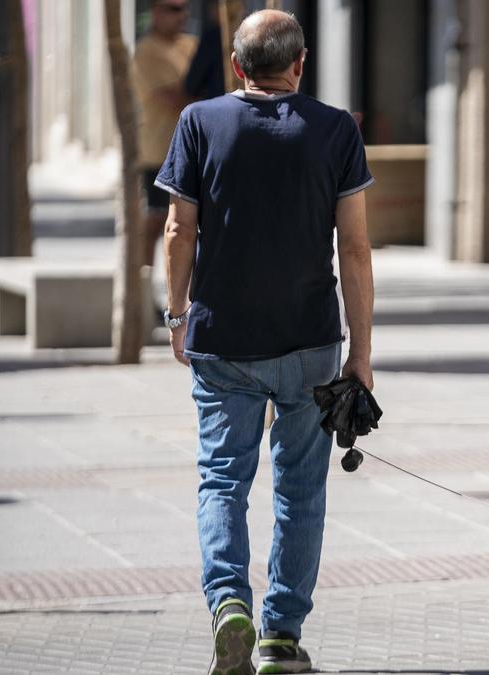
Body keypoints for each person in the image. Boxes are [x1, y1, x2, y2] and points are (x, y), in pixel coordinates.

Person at [155, 9, 375, 675]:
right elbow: (355, 249)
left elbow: (178, 229)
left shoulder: (200, 123)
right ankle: (280, 636)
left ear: (236, 66)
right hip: (310, 341)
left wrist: (176, 314)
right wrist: (361, 355)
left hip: (223, 338)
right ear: (300, 65)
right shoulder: (335, 130)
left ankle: (229, 604)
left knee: (223, 479)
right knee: (301, 491)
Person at [133, 0, 197, 265]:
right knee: (158, 222)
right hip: (160, 152)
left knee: (189, 224)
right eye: (174, 9)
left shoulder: (192, 44)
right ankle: (146, 282)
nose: (182, 15)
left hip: (194, 151)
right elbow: (172, 99)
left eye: (184, 8)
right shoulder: (146, 51)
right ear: (156, 12)